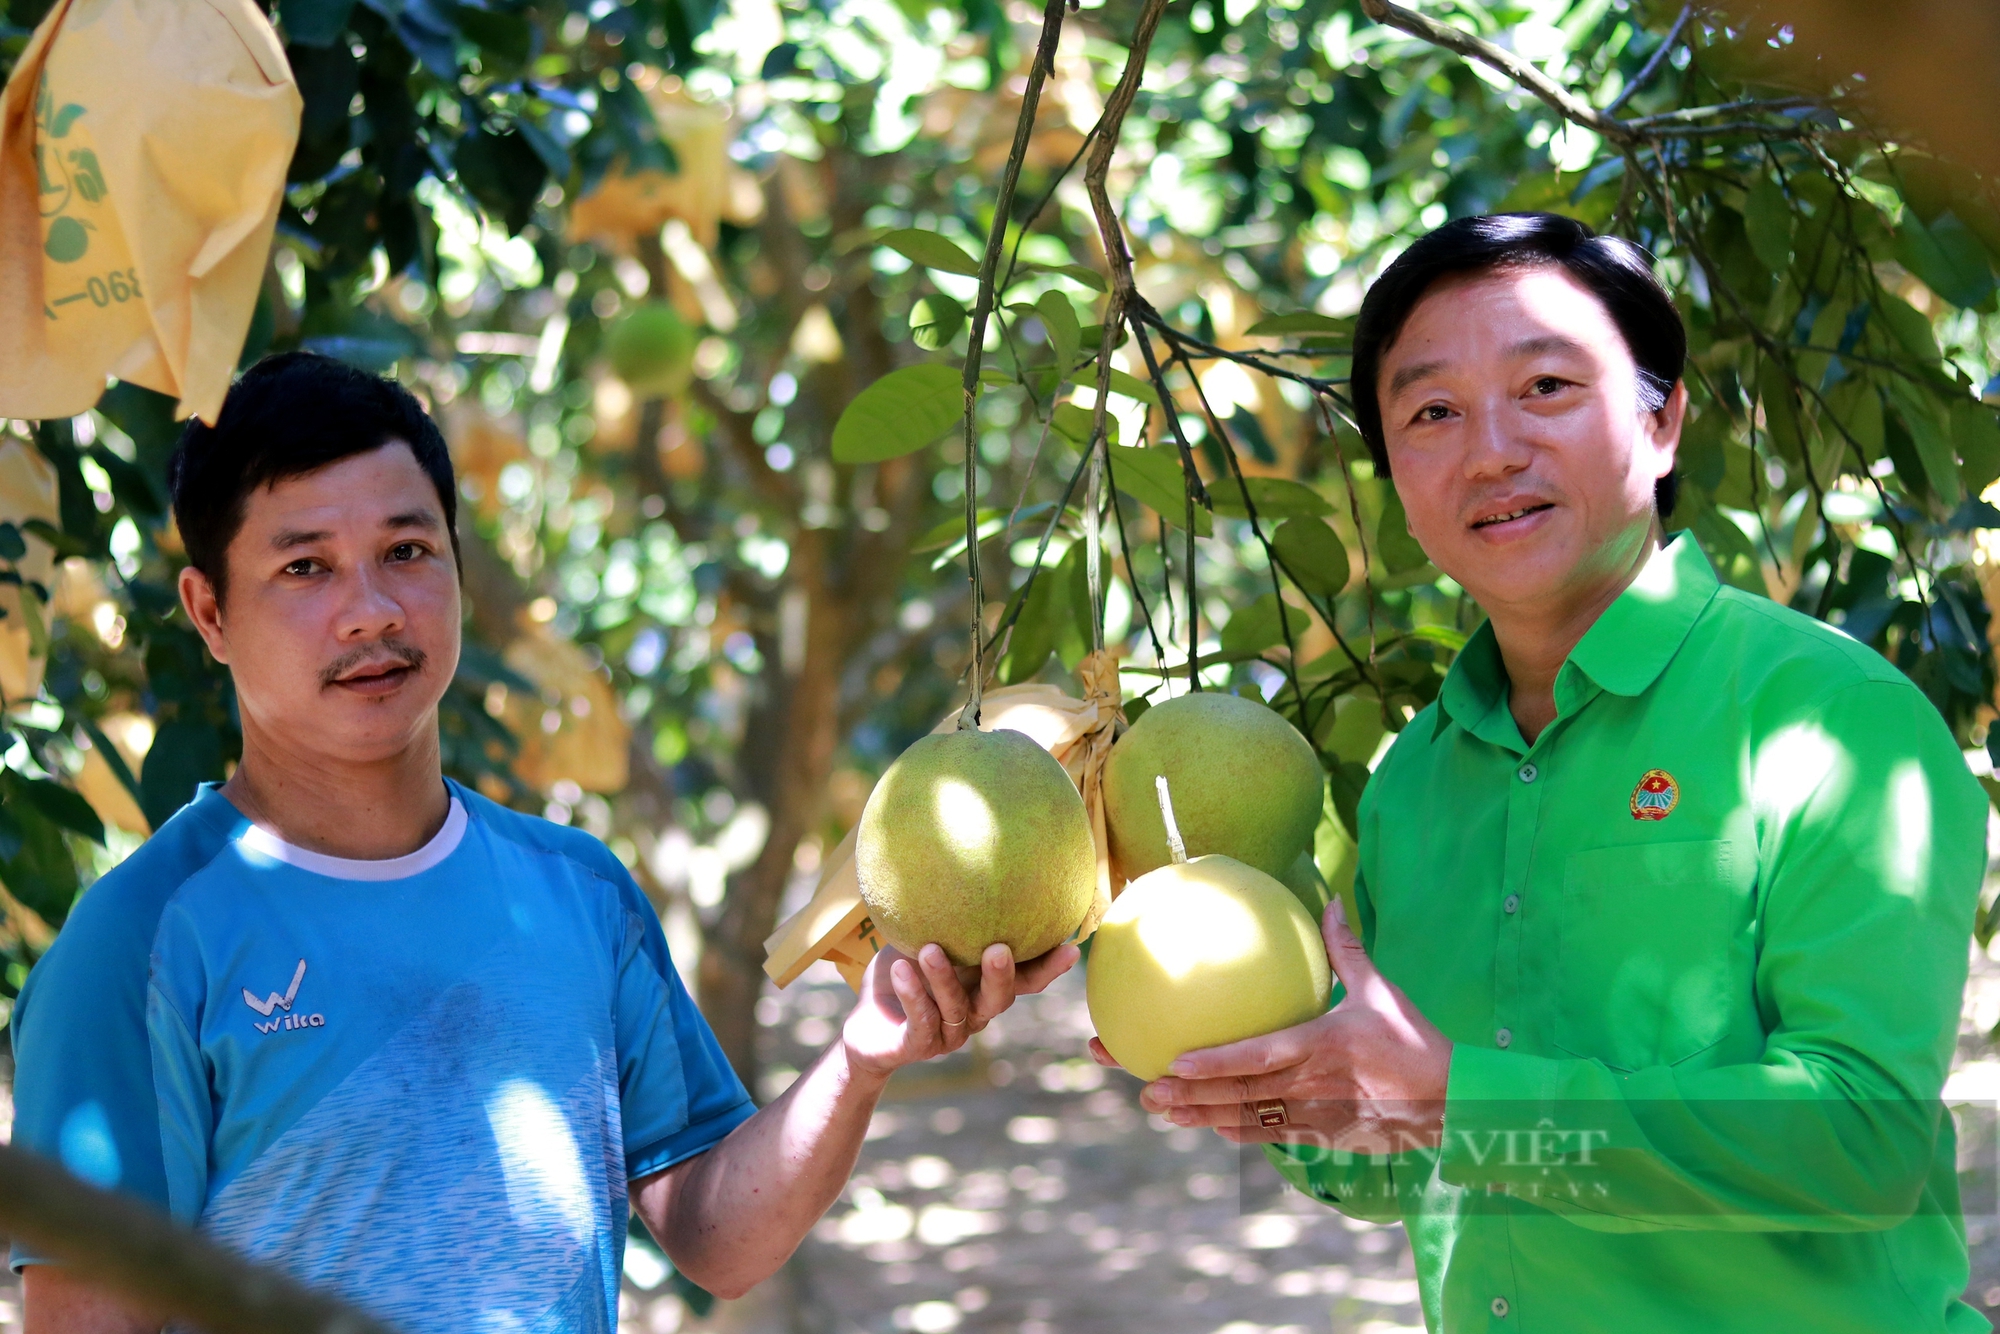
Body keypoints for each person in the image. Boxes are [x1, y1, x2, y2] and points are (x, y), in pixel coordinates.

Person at [11, 351, 1079, 1333]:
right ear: (208, 612)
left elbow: (717, 1235)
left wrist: (861, 1055)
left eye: (406, 550)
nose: (369, 609)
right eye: (305, 569)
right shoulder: (141, 946)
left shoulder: (574, 891)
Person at [1095, 213, 1989, 1332]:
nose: (1490, 450)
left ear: (1660, 421)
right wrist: (1284, 1084)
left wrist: (1455, 1095)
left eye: (1547, 387)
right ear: (1396, 483)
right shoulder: (1411, 780)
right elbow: (1394, 1166)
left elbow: (1862, 1141)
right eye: (1430, 412)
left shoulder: (1831, 720)